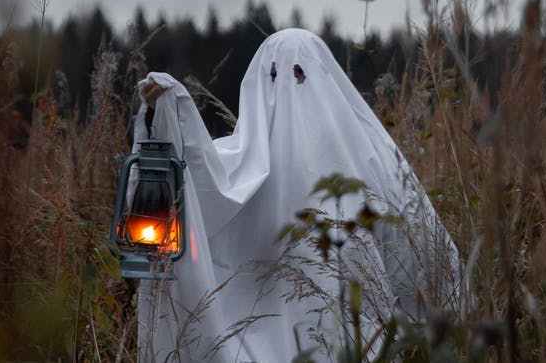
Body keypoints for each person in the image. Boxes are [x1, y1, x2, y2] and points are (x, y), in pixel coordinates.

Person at [132, 28, 460, 363]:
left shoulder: (367, 159)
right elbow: (199, 180)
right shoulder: (242, 165)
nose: (288, 89)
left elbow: (415, 240)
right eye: (275, 76)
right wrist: (168, 111)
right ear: (261, 83)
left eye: (300, 74)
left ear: (323, 78)